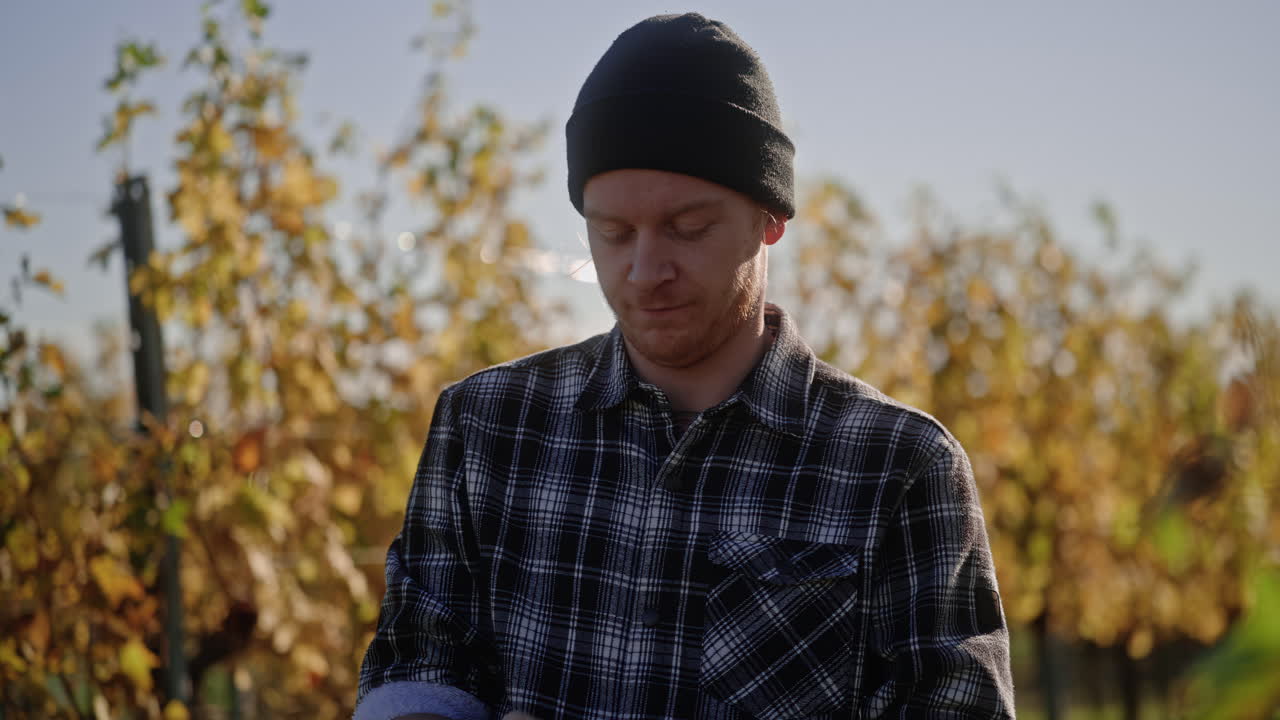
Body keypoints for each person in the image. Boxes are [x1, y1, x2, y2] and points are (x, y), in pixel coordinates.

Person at [355, 12, 1014, 720]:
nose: (644, 271)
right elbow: (418, 667)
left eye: (687, 228)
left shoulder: (899, 466)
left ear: (771, 218)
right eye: (612, 233)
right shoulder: (485, 427)